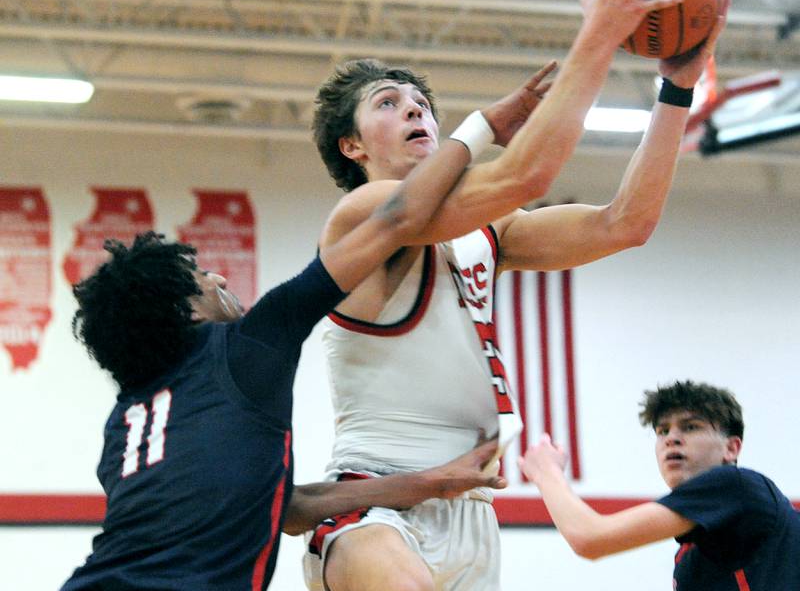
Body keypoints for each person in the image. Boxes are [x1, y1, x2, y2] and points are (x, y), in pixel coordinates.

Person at [304, 0, 731, 591]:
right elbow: (525, 173)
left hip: (475, 516)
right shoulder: (360, 218)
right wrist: (598, 33)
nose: (414, 108)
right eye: (388, 102)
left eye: (420, 102)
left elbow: (625, 224)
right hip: (375, 506)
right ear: (353, 144)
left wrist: (675, 88)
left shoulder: (483, 230)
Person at [59, 96, 533, 591]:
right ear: (182, 310)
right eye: (198, 275)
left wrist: (431, 483)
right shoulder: (243, 352)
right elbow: (396, 219)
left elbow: (288, 507)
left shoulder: (128, 423)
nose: (217, 275)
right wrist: (481, 129)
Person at [519, 380, 800, 589]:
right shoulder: (689, 558)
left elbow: (589, 538)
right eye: (662, 431)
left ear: (731, 448)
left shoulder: (736, 486)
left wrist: (546, 472)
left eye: (690, 427)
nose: (671, 438)